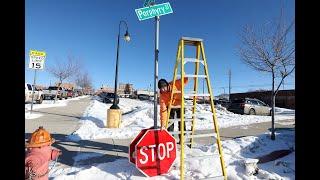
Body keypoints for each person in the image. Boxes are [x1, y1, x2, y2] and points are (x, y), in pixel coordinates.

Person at [158, 77, 189, 144]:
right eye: (161, 89)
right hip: (170, 106)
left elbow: (185, 80)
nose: (163, 90)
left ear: (167, 85)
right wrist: (163, 124)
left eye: (164, 87)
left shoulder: (175, 84)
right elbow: (163, 111)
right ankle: (170, 138)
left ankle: (182, 138)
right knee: (170, 123)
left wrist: (184, 74)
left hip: (180, 105)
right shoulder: (162, 95)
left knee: (181, 122)